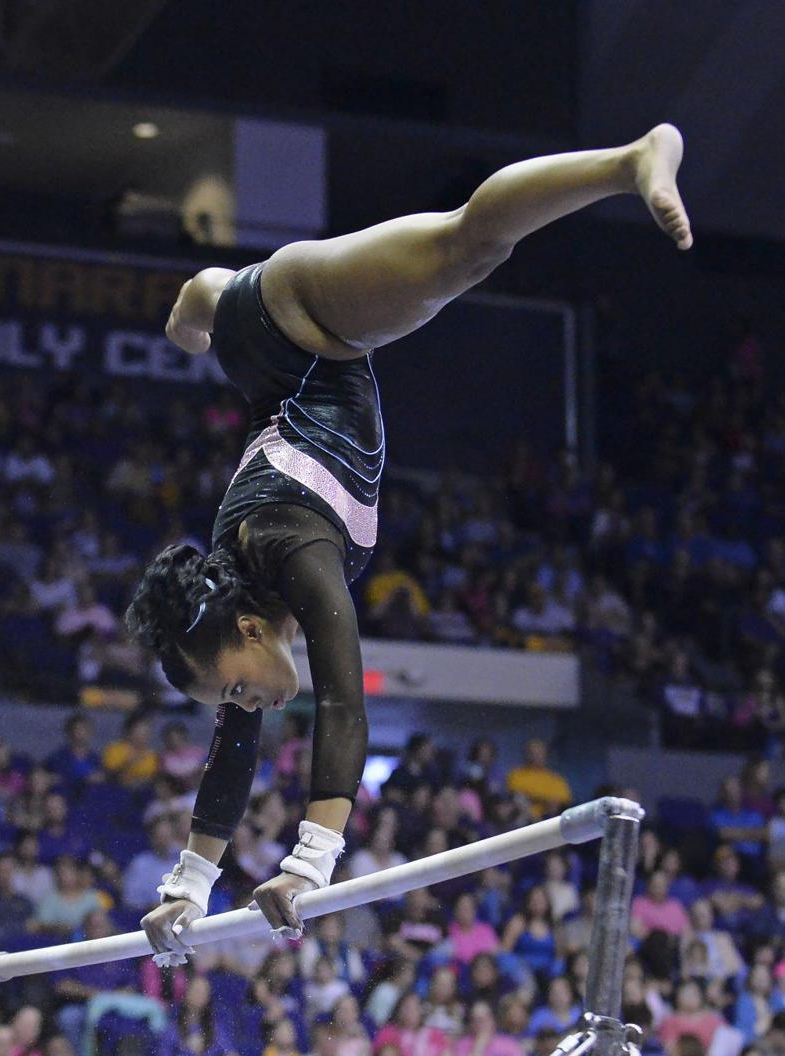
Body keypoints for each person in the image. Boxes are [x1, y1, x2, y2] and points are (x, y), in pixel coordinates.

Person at [127, 123, 693, 959]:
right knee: (211, 303)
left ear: (249, 631)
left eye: (238, 691)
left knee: (469, 246)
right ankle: (199, 299)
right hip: (252, 351)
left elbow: (347, 700)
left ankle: (632, 158)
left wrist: (311, 860)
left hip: (305, 324)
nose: (248, 708)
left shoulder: (292, 553)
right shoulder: (244, 607)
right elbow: (232, 753)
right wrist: (187, 886)